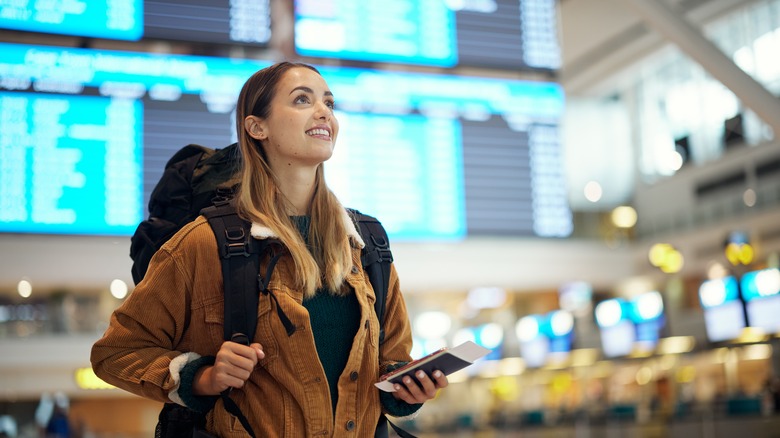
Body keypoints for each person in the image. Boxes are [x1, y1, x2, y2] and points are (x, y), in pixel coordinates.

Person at [91, 61, 448, 436]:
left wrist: (404, 389)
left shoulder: (366, 243)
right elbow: (115, 352)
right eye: (301, 100)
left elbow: (390, 361)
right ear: (256, 126)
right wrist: (202, 377)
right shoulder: (205, 243)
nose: (323, 111)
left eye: (328, 102)